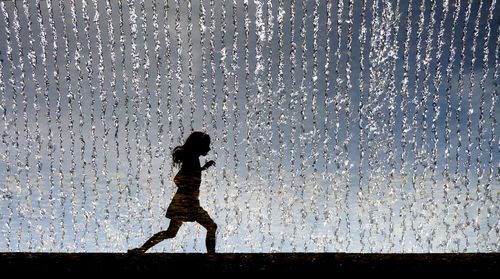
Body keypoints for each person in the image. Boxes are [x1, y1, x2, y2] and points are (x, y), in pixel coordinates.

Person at [128, 131, 217, 254]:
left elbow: (187, 174)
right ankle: (212, 257)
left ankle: (141, 250)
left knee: (170, 233)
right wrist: (188, 191)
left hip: (181, 202)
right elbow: (178, 178)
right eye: (207, 145)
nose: (209, 148)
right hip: (188, 203)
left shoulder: (193, 159)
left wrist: (203, 168)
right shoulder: (192, 159)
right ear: (199, 146)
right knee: (212, 226)